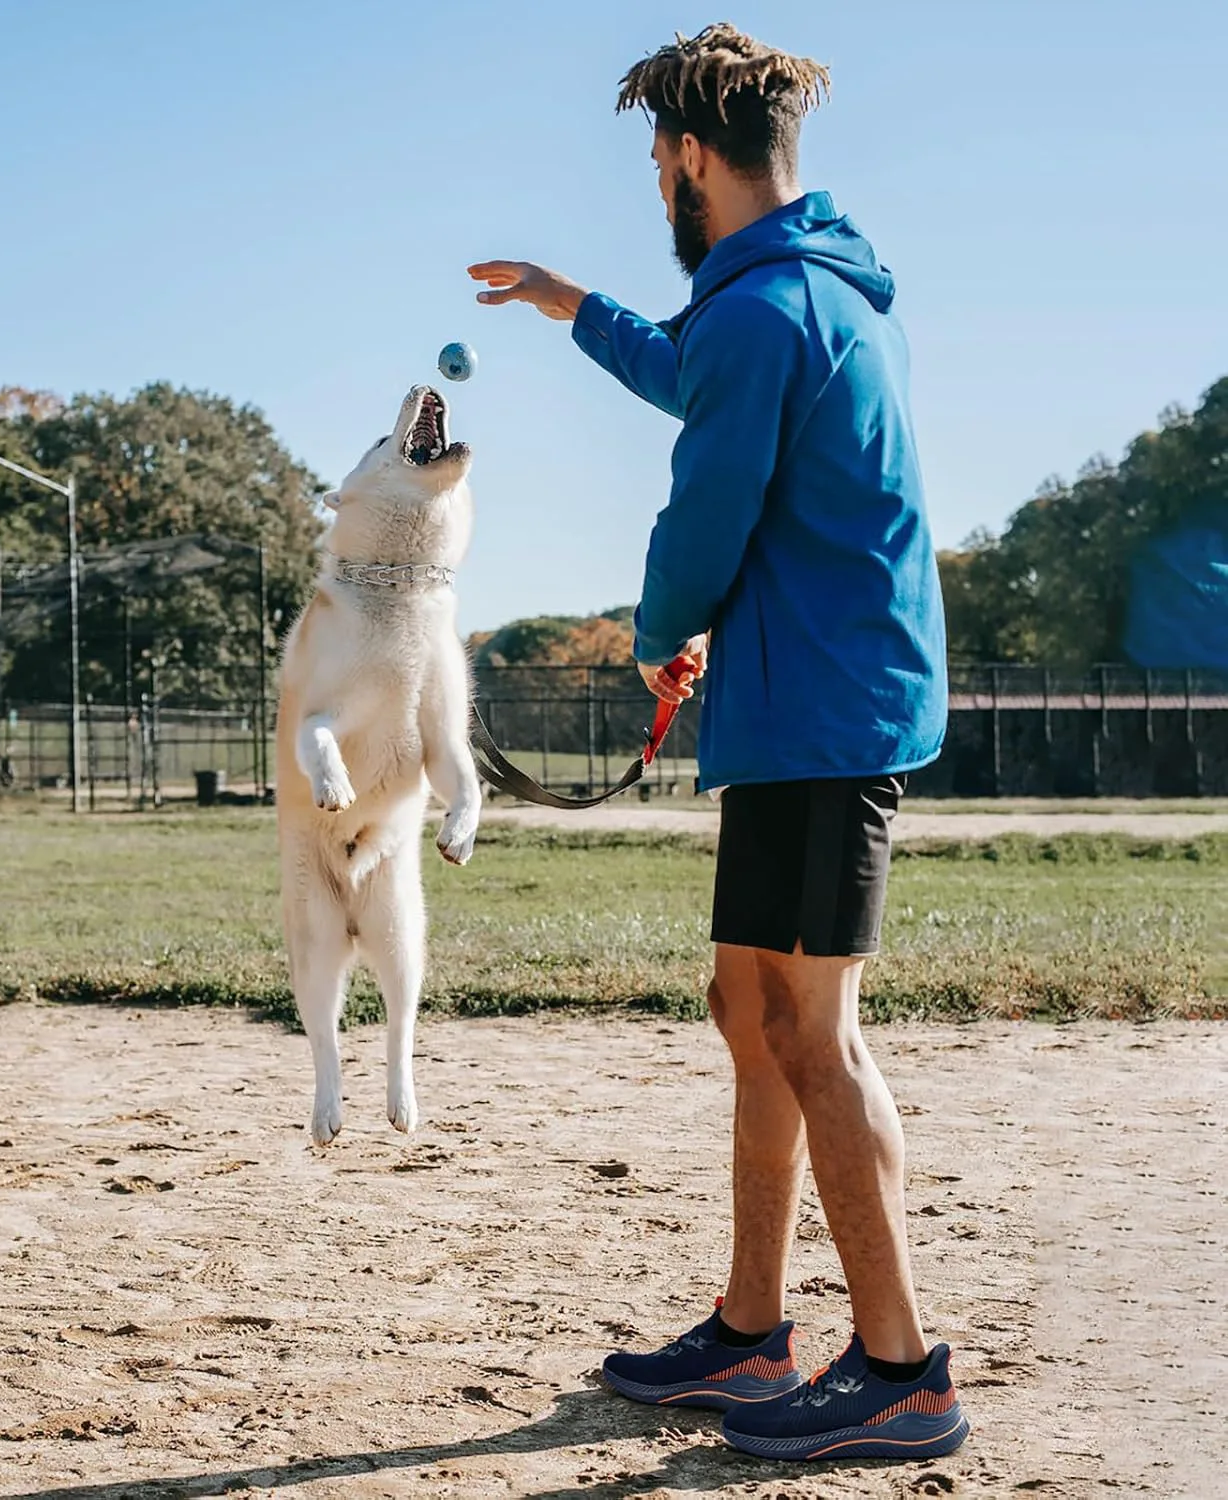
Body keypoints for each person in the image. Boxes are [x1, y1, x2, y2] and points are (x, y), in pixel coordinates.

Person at [469, 22, 966, 1463]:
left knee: (815, 1036)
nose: (655, 182)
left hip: (820, 713)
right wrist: (576, 307)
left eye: (654, 160)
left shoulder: (768, 312)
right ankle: (753, 1336)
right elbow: (700, 371)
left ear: (691, 157)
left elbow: (706, 508)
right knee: (750, 1017)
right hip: (796, 702)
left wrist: (657, 623)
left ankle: (903, 1371)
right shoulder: (797, 295)